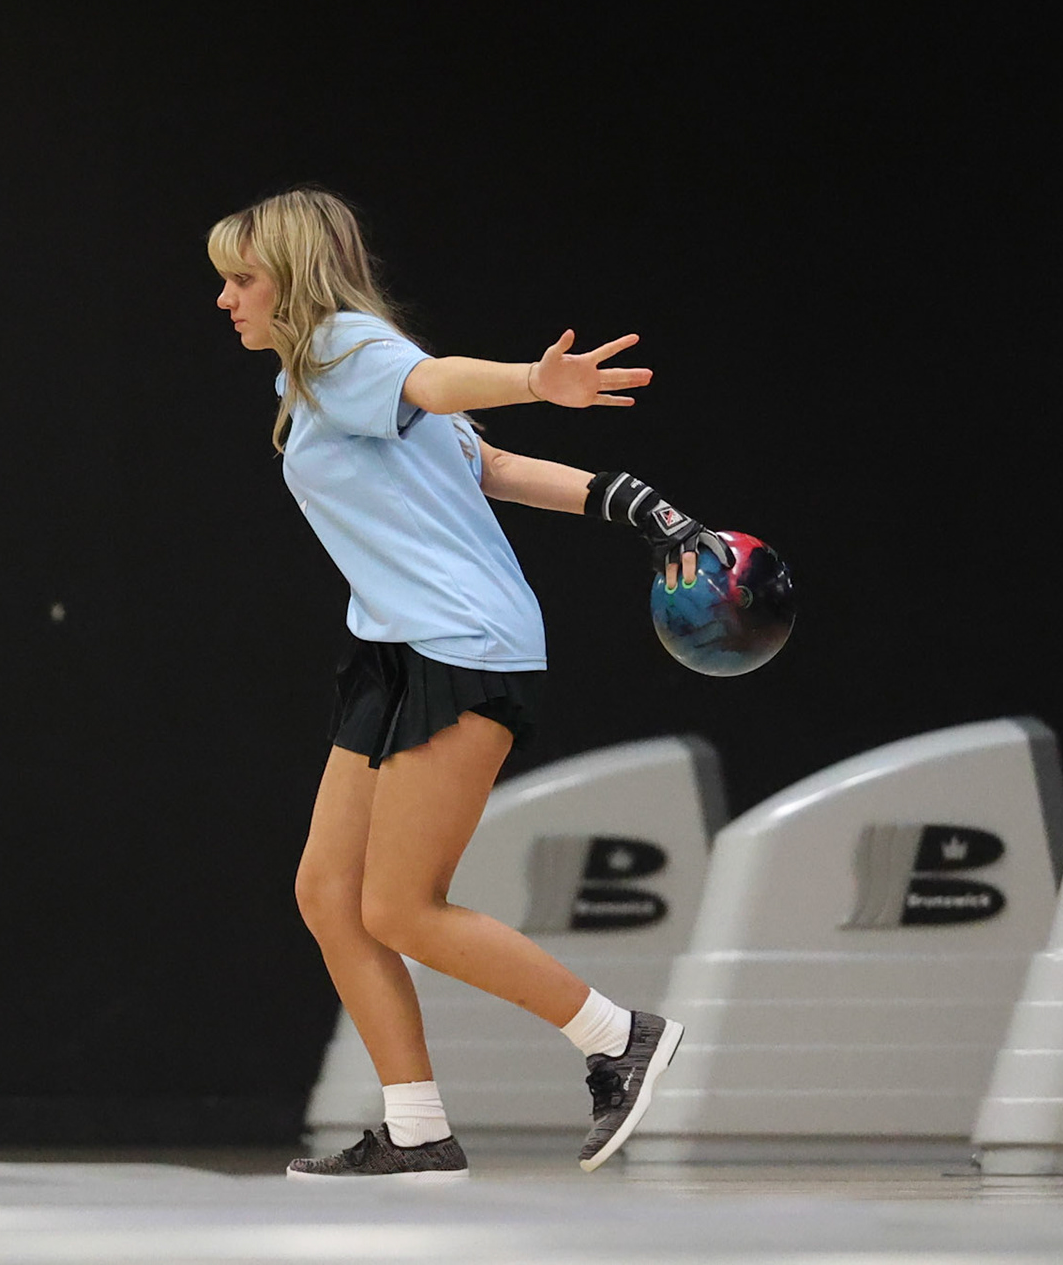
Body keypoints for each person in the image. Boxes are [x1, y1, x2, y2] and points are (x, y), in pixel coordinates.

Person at [208, 188, 731, 1182]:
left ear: (294, 278)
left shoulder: (349, 351)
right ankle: (415, 1129)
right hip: (394, 647)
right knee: (329, 891)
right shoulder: (330, 380)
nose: (226, 298)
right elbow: (481, 463)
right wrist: (635, 502)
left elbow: (446, 386)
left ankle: (616, 1034)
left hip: (459, 644)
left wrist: (535, 378)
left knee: (401, 905)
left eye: (242, 278)